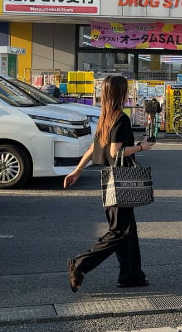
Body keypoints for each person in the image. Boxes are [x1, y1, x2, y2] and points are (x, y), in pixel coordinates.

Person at [64, 75, 153, 292]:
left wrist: (78, 169)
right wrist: (141, 147)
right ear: (120, 93)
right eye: (125, 89)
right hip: (121, 181)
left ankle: (131, 275)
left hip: (111, 180)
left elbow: (94, 148)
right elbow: (115, 152)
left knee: (127, 230)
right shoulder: (121, 118)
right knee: (119, 231)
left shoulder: (106, 118)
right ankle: (80, 265)